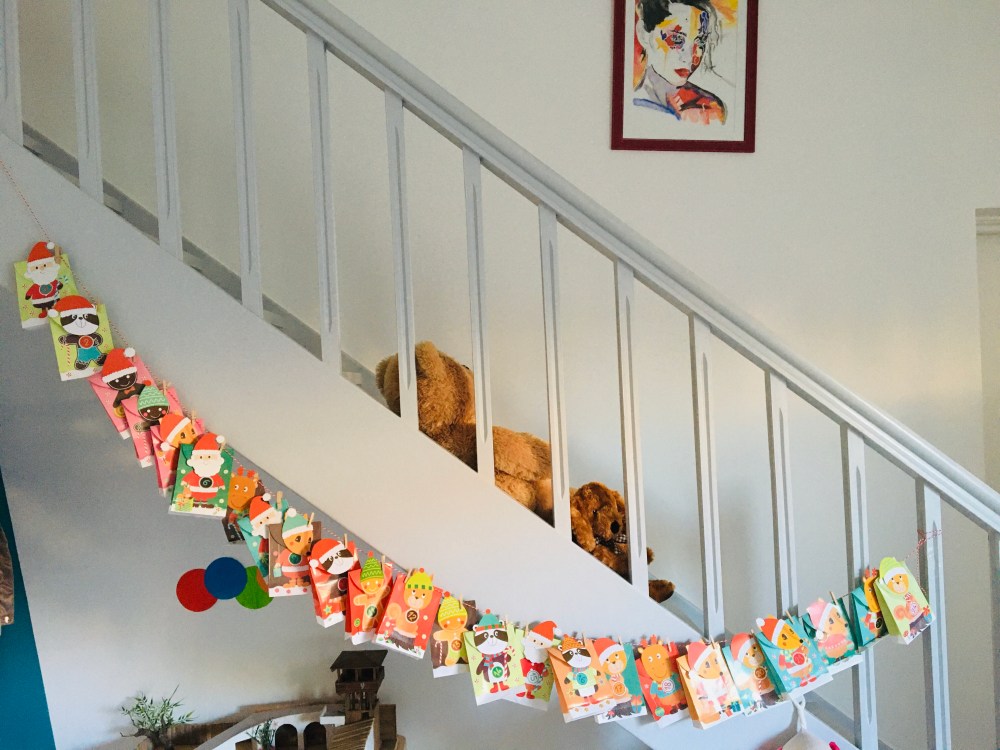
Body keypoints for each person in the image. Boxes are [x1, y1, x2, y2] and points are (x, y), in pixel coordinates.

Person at [634, 0, 726, 124]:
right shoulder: (632, 108)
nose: (689, 57)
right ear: (644, 35)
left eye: (700, 42)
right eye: (676, 38)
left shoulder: (708, 108)